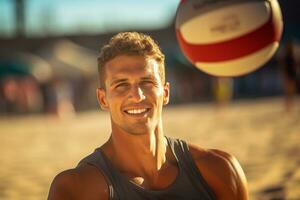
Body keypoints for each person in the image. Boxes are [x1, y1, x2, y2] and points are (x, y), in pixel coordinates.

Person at [48, 32, 248, 200]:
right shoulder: (75, 189)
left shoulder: (220, 170)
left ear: (166, 93)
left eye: (147, 82)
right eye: (121, 85)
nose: (137, 95)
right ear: (103, 99)